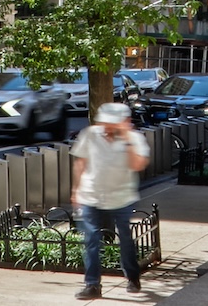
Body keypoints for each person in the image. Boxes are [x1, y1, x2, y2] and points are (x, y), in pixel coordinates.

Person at [70, 101, 150, 301]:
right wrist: (75, 189)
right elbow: (80, 161)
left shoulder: (134, 139)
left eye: (113, 123)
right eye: (105, 122)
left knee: (125, 239)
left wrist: (126, 140)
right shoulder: (90, 134)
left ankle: (132, 276)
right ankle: (92, 284)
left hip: (122, 196)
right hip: (91, 194)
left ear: (124, 122)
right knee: (91, 240)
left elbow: (138, 164)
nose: (108, 127)